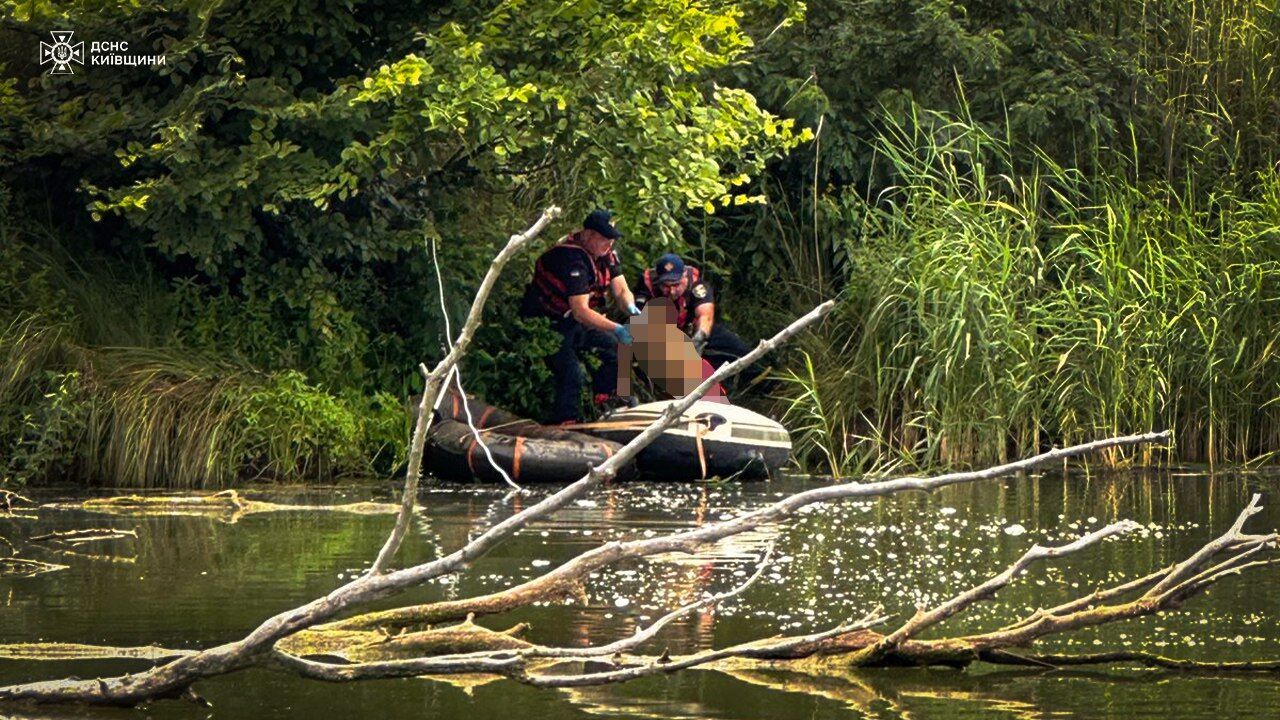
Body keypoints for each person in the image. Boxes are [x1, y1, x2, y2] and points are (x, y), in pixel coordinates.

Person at [521, 209, 640, 424]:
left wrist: (630, 306)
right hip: (550, 322)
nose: (609, 244)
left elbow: (621, 289)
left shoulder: (605, 254)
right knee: (572, 373)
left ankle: (606, 400)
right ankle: (565, 421)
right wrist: (616, 328)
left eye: (612, 239)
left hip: (575, 321)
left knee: (614, 348)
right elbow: (581, 311)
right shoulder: (571, 258)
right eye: (604, 238)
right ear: (588, 234)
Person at [634, 253, 758, 386]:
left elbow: (705, 316)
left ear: (684, 277)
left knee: (738, 349)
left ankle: (756, 383)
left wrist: (699, 339)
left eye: (676, 285)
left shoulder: (696, 284)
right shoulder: (647, 284)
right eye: (665, 286)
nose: (671, 291)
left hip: (693, 328)